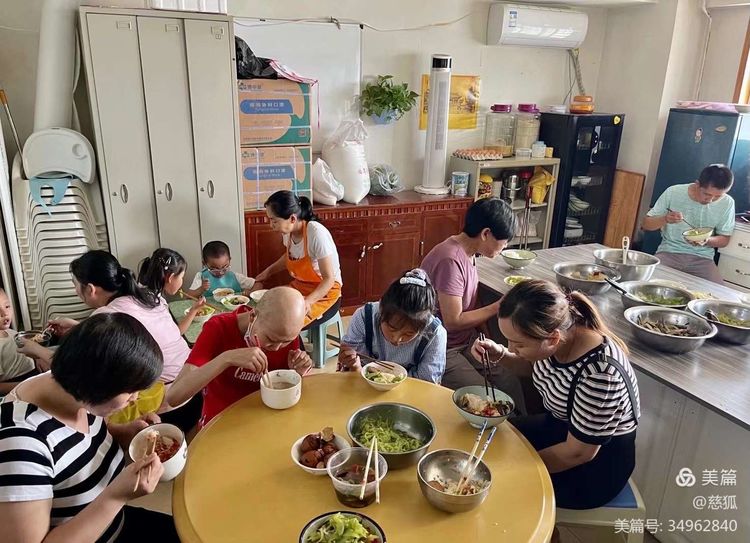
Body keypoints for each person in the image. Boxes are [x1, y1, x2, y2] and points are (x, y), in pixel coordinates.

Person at [0, 313, 180, 543]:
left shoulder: (70, 384)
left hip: (116, 521)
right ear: (99, 385)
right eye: (130, 391)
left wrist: (123, 432)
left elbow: (82, 438)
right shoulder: (20, 443)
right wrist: (116, 497)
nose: (135, 399)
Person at [472, 279, 640, 510]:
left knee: (496, 486)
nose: (511, 348)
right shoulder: (558, 334)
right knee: (487, 437)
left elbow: (578, 453)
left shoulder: (599, 375)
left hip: (594, 469)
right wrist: (499, 354)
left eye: (518, 344)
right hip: (560, 429)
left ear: (552, 339)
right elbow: (534, 367)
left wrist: (512, 470)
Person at [21, 250, 198, 431]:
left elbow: (72, 368)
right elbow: (127, 334)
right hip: (192, 382)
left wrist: (35, 349)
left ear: (90, 289)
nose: (75, 291)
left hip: (165, 398)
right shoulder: (148, 295)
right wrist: (77, 326)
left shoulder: (106, 314)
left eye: (75, 284)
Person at [420, 197, 524, 409]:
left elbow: (470, 304)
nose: (505, 246)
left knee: (509, 381)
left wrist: (485, 335)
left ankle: (522, 427)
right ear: (485, 234)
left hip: (466, 340)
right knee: (488, 398)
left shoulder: (469, 254)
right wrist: (498, 306)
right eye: (503, 241)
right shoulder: (450, 259)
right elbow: (453, 321)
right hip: (442, 347)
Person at [166, 287, 313, 427]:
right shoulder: (218, 328)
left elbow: (290, 391)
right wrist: (226, 358)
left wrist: (297, 372)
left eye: (286, 341)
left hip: (267, 418)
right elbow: (174, 396)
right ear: (253, 316)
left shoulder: (285, 332)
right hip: (222, 421)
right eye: (270, 339)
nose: (276, 347)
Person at [337, 269, 447, 384]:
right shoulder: (364, 317)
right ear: (381, 310)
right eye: (391, 328)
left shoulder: (435, 334)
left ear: (423, 328)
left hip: (411, 391)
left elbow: (426, 383)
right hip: (365, 385)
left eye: (408, 334)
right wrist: (353, 365)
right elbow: (352, 369)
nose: (396, 340)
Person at [256, 191, 342, 326]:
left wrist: (308, 301)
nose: (271, 225)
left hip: (325, 293)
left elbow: (329, 279)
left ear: (292, 218)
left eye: (274, 221)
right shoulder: (288, 232)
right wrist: (267, 273)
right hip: (300, 287)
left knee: (288, 323)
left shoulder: (316, 233)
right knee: (269, 308)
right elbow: (290, 257)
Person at [642, 164, 735, 284]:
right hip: (670, 252)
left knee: (719, 293)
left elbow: (724, 240)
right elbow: (646, 224)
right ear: (697, 184)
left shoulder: (728, 202)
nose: (710, 200)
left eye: (718, 196)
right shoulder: (673, 192)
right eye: (707, 194)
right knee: (647, 283)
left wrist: (706, 240)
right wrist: (665, 219)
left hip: (703, 259)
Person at [137, 248, 207, 336]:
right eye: (181, 277)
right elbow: (176, 333)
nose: (182, 281)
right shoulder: (155, 306)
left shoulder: (143, 292)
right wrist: (194, 310)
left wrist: (194, 310)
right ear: (170, 277)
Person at [0, 288, 39, 394]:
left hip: (33, 374)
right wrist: (24, 386)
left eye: (7, 306)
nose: (5, 313)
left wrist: (38, 359)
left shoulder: (11, 332)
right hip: (17, 383)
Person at [185, 241, 257, 298]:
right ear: (204, 264)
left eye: (225, 267)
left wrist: (251, 294)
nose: (221, 272)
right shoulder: (201, 276)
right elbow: (188, 296)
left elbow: (258, 284)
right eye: (214, 269)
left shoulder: (234, 276)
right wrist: (201, 289)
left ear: (229, 260)